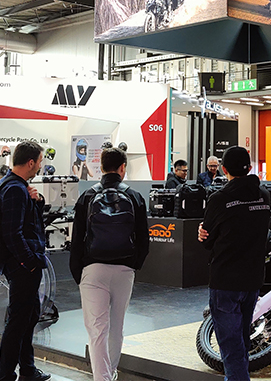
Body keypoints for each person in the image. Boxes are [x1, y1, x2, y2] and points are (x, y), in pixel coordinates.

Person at [70, 147, 150, 381]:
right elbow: (143, 240)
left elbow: (77, 240)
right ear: (122, 168)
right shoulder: (134, 197)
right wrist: (134, 264)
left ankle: (102, 378)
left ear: (101, 168)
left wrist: (79, 273)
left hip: (93, 270)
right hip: (124, 270)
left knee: (97, 330)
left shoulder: (87, 196)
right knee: (117, 328)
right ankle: (111, 373)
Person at [198, 147, 270, 381]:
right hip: (252, 278)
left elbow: (207, 241)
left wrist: (202, 233)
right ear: (249, 168)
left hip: (226, 280)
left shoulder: (219, 199)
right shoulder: (263, 196)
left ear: (224, 169)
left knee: (230, 345)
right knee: (241, 339)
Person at [0, 141, 50, 381]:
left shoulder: (13, 185)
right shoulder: (15, 189)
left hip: (22, 263)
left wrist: (37, 202)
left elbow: (26, 224)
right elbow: (12, 233)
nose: (39, 166)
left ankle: (27, 369)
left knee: (28, 317)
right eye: (39, 162)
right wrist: (29, 261)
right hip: (21, 265)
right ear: (30, 163)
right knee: (18, 322)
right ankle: (6, 376)